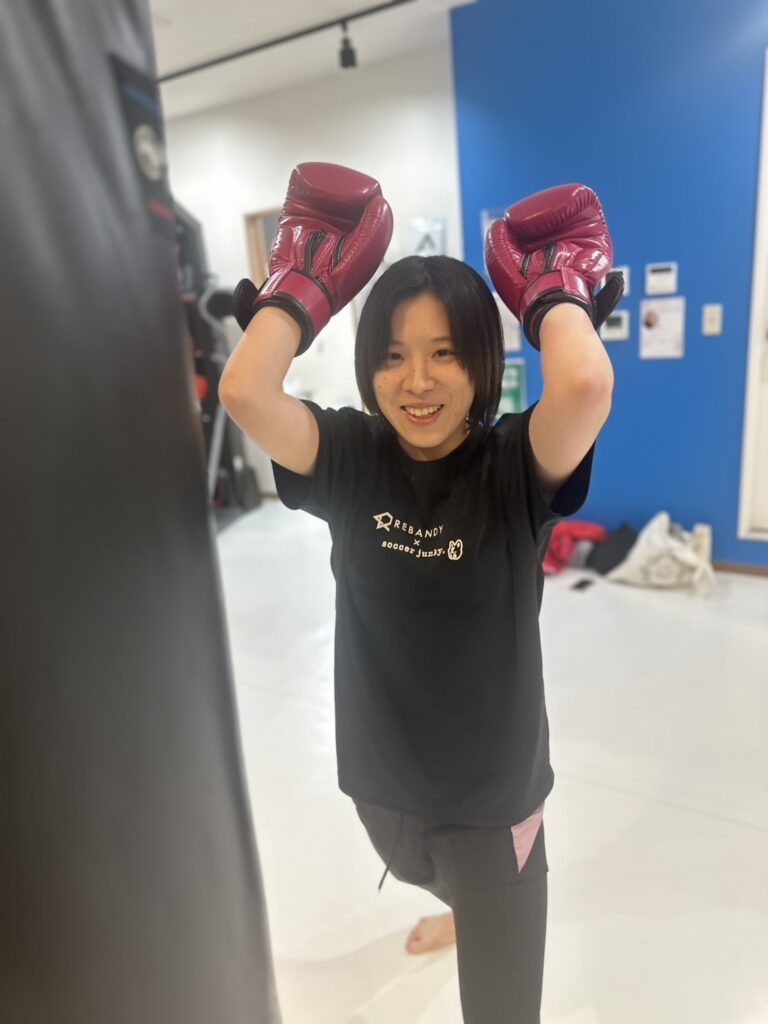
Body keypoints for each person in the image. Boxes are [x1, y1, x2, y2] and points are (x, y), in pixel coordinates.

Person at [219, 163, 622, 1024]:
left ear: (481, 361)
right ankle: (459, 906)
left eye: (444, 353)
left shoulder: (513, 466)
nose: (417, 382)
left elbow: (585, 386)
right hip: (381, 788)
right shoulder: (351, 456)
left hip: (493, 810)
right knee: (428, 876)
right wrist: (299, 290)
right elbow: (245, 391)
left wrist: (557, 296)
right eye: (394, 355)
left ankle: (475, 908)